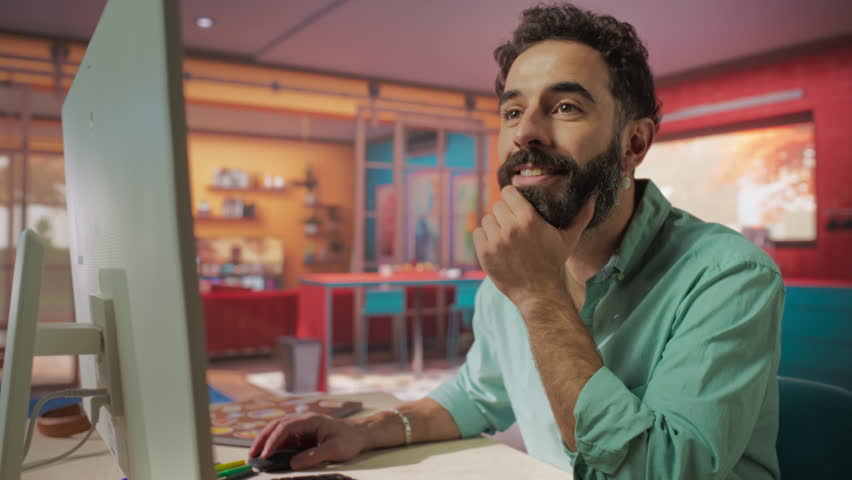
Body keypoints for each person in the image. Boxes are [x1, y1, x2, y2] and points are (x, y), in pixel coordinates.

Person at [249, 3, 784, 478]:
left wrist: (540, 296)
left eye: (565, 107)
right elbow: (475, 396)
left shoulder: (727, 275)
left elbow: (661, 472)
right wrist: (365, 430)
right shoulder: (509, 275)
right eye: (512, 110)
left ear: (634, 142)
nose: (526, 131)